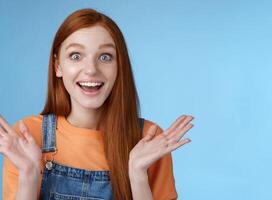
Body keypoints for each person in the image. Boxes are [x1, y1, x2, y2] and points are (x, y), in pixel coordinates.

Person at [0, 8, 194, 200]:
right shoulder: (27, 137)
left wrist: (137, 176)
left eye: (105, 57)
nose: (91, 70)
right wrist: (29, 175)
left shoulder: (149, 139)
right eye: (76, 56)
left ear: (119, 66)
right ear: (58, 66)